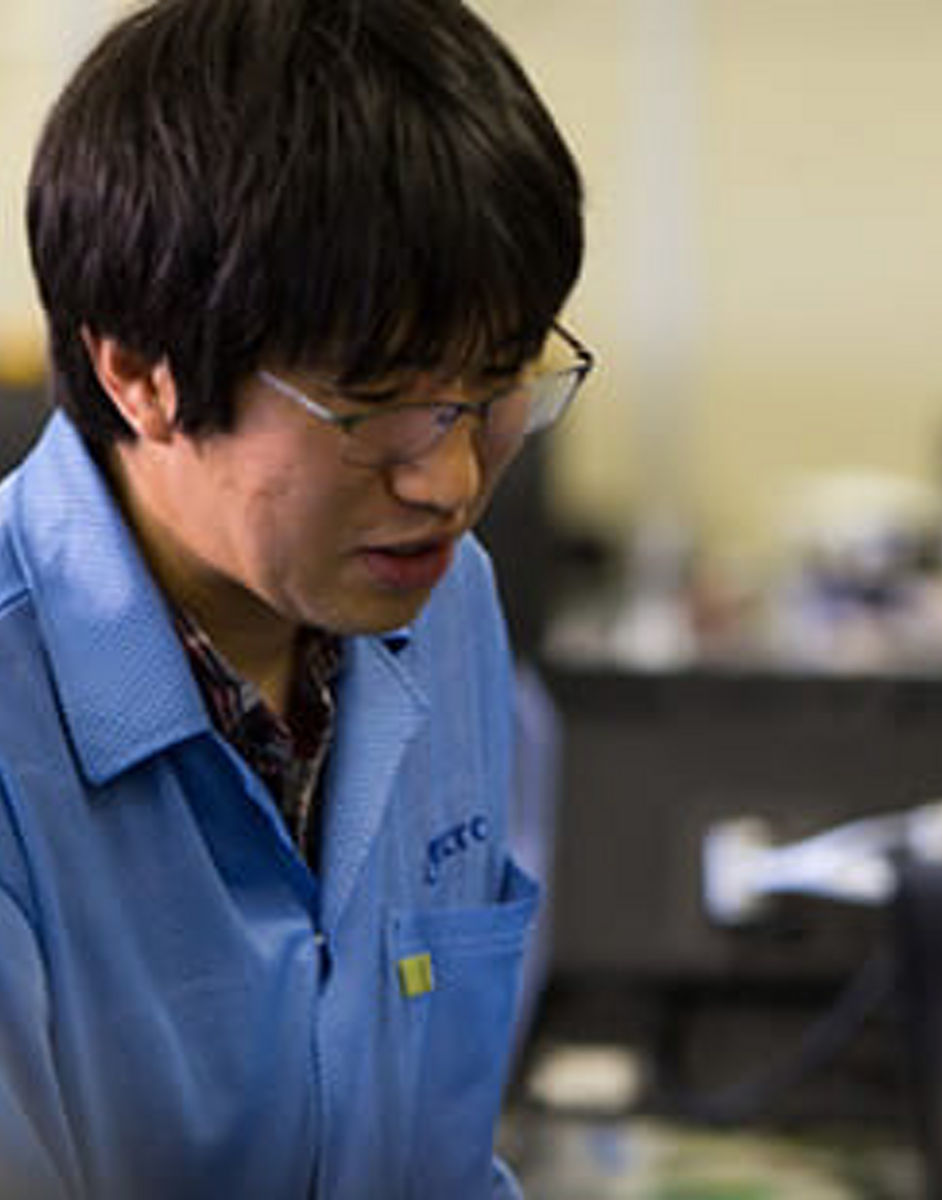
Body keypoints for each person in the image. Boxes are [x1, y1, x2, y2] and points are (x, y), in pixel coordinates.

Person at [0, 0, 588, 1196]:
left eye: (496, 383)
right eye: (374, 404)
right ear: (141, 375)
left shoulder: (440, 606)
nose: (452, 481)